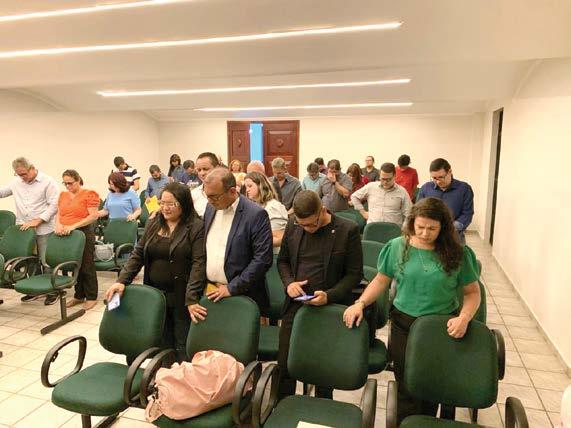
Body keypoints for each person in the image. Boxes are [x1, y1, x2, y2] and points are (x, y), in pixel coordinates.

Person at [343, 197, 481, 424]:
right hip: (404, 324)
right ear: (412, 223)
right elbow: (380, 280)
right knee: (406, 383)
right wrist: (360, 303)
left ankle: (426, 422)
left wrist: (464, 318)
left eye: (432, 229)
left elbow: (472, 293)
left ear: (443, 228)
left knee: (431, 382)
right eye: (420, 227)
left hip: (440, 325)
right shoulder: (397, 246)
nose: (425, 233)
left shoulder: (457, 253)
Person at [105, 183, 206, 361]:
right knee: (159, 339)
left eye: (171, 204)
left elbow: (199, 264)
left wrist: (191, 298)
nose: (165, 208)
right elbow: (138, 254)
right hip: (155, 293)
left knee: (182, 342)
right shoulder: (154, 222)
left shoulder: (196, 226)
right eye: (162, 203)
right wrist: (122, 280)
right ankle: (162, 373)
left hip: (182, 295)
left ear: (183, 203)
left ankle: (179, 375)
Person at [277, 190, 363, 400]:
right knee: (284, 364)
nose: (307, 229)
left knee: (322, 369)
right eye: (302, 225)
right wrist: (289, 283)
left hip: (328, 307)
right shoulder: (293, 226)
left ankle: (323, 407)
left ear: (323, 210)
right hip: (296, 304)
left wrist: (329, 295)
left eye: (311, 224)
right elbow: (283, 261)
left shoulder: (347, 230)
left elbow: (354, 275)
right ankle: (282, 405)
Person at [202, 168, 273, 313]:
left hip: (243, 295)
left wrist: (231, 288)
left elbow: (262, 259)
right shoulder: (210, 208)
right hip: (211, 291)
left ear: (232, 191)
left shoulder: (255, 214)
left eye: (214, 197)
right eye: (207, 195)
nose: (209, 201)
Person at [0, 157, 60, 305]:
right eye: (18, 174)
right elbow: (2, 192)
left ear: (32, 168)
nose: (22, 177)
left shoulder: (48, 181)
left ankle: (52, 291)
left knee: (46, 261)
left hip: (44, 228)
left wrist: (38, 220)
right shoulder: (16, 182)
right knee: (30, 260)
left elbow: (54, 205)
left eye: (24, 174)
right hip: (25, 229)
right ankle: (34, 290)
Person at [56, 170, 100, 311]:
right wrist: (58, 225)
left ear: (78, 180)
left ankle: (91, 296)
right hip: (67, 234)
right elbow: (59, 213)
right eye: (65, 183)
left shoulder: (89, 194)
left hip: (83, 233)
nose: (67, 186)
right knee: (76, 265)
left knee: (87, 265)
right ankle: (79, 295)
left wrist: (73, 226)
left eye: (70, 183)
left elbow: (93, 216)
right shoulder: (63, 195)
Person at [417, 158, 474, 242]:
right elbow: (418, 211)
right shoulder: (426, 188)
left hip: (454, 236)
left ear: (450, 172)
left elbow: (467, 213)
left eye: (441, 177)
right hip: (429, 236)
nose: (438, 182)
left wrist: (450, 228)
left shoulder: (464, 189)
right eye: (434, 178)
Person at [244, 171, 288, 253]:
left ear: (260, 186)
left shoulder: (273, 207)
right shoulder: (256, 206)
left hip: (274, 255)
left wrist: (252, 241)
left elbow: (279, 238)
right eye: (246, 187)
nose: (247, 190)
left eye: (250, 186)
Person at [191, 152, 220, 218]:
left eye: (205, 169)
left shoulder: (227, 193)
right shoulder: (193, 194)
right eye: (199, 170)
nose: (202, 173)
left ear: (217, 168)